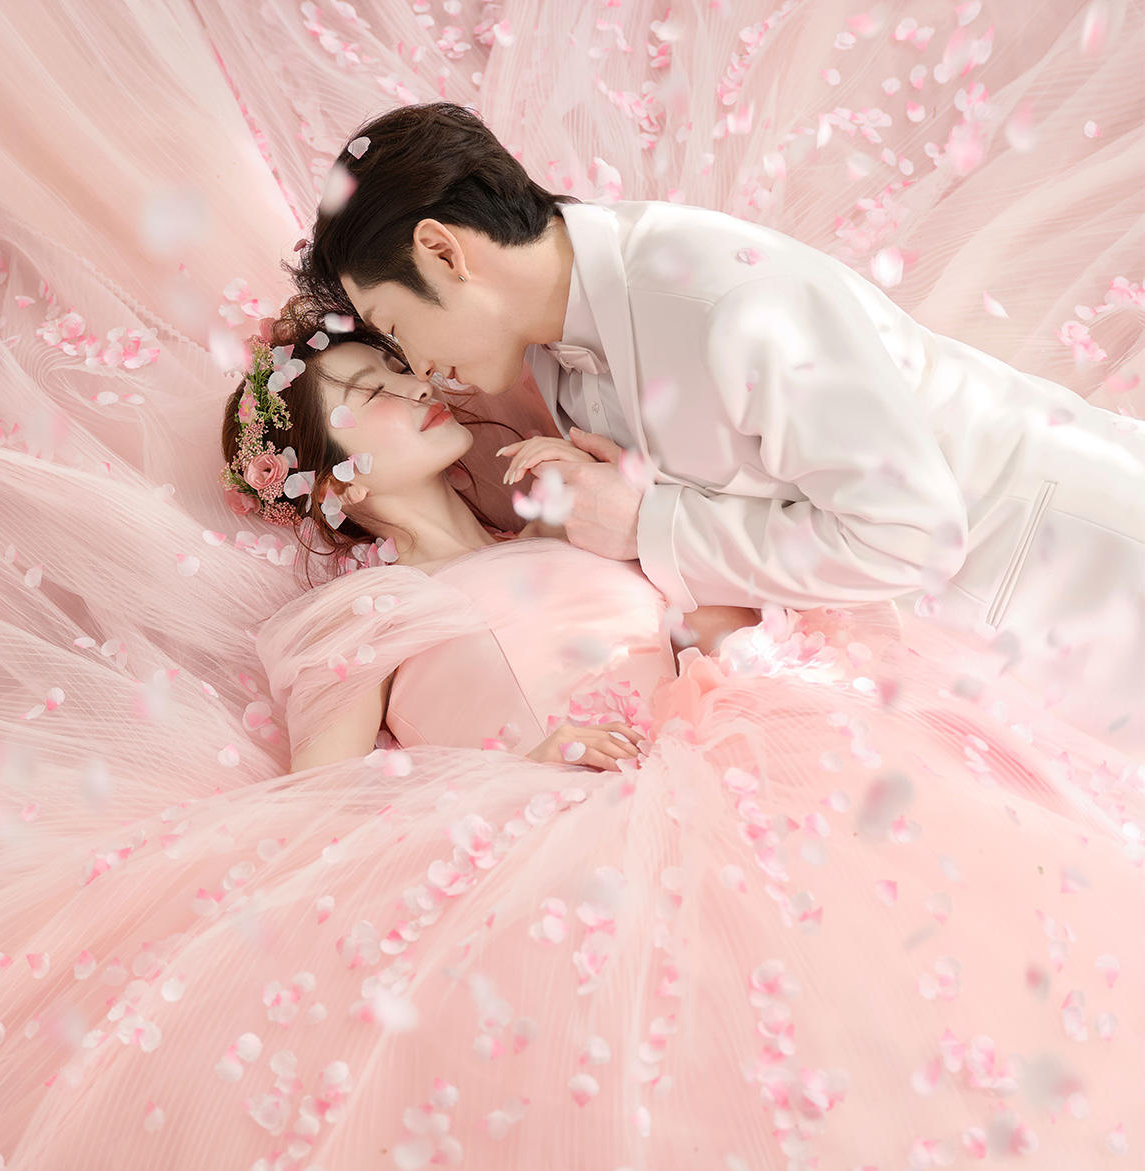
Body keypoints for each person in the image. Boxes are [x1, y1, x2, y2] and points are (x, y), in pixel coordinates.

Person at [0, 316, 1143, 1171]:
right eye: (367, 393)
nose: (409, 388)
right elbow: (321, 809)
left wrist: (637, 518)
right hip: (566, 844)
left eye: (396, 369)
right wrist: (525, 758)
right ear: (335, 476)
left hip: (732, 755)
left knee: (908, 993)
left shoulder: (564, 517)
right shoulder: (355, 615)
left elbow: (712, 612)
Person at [294, 102, 1145, 752]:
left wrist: (648, 521)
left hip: (1071, 571)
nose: (418, 366)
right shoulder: (551, 349)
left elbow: (910, 534)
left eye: (397, 329)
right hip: (962, 655)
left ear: (445, 253)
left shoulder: (724, 300)